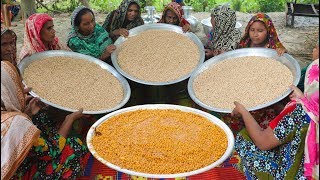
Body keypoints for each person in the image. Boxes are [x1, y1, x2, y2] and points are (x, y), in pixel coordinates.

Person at [232, 44, 319, 179]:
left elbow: (263, 142)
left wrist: (243, 111)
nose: (313, 49)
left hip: (292, 173)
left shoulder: (300, 113)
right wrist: (303, 98)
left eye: (317, 47)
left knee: (242, 137)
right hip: (313, 169)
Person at [1, 60, 90, 179]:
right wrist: (70, 119)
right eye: (19, 85)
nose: (25, 89)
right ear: (9, 89)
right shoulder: (17, 123)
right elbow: (53, 151)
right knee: (74, 147)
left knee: (41, 118)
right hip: (17, 174)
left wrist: (27, 113)